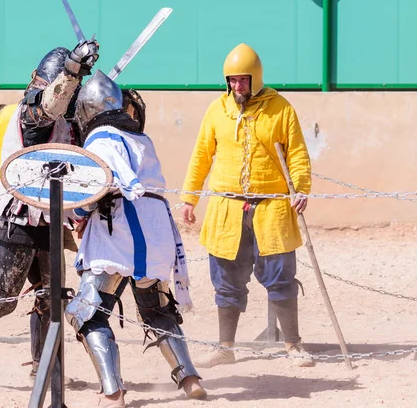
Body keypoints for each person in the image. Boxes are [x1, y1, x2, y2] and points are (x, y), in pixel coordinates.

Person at [0, 39, 99, 388]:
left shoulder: (69, 121)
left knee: (51, 297)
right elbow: (49, 108)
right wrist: (72, 71)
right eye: (66, 86)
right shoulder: (32, 111)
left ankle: (44, 369)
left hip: (51, 217)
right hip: (18, 215)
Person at [65, 70, 207, 408]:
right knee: (156, 309)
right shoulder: (142, 140)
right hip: (157, 233)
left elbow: (94, 188)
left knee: (88, 313)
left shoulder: (100, 139)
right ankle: (190, 380)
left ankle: (112, 392)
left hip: (119, 232)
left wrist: (79, 218)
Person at [180, 43, 315, 368]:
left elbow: (296, 152)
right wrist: (189, 197)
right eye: (232, 80)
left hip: (273, 208)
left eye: (243, 80)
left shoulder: (280, 108)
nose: (237, 86)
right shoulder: (216, 110)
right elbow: (201, 155)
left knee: (280, 277)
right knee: (226, 280)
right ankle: (226, 347)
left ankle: (292, 345)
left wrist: (301, 188)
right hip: (227, 210)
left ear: (255, 79)